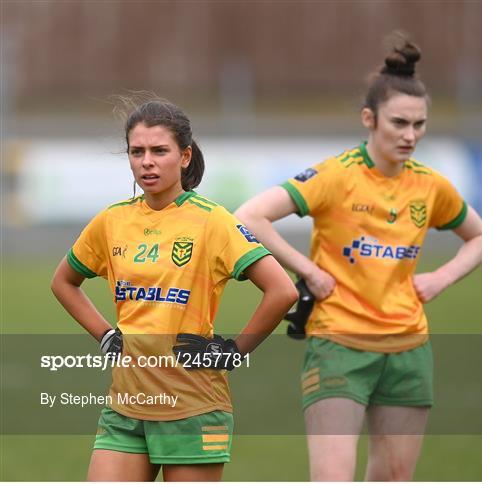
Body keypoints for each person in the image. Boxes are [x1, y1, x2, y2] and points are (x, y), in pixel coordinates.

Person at [235, 32, 482, 481]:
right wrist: (308, 270)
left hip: (408, 351)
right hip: (338, 346)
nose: (410, 135)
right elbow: (249, 215)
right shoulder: (336, 176)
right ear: (369, 119)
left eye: (419, 124)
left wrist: (440, 278)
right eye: (399, 123)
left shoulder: (431, 186)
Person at [51, 96, 298, 482]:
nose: (146, 161)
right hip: (126, 406)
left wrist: (233, 351)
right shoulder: (111, 221)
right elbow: (63, 281)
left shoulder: (213, 221)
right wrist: (104, 335)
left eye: (159, 151)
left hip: (193, 408)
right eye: (137, 151)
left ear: (184, 157)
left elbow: (282, 291)